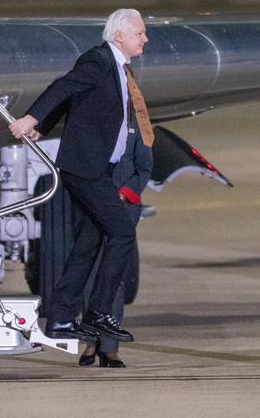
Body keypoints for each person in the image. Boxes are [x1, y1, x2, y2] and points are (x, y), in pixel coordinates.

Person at [9, 8, 153, 345]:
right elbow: (63, 87)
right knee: (121, 233)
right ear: (119, 35)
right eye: (140, 33)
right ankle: (99, 313)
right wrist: (33, 118)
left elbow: (74, 97)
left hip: (97, 168)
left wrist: (44, 126)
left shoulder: (118, 68)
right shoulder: (99, 60)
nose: (145, 39)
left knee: (87, 245)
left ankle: (60, 318)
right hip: (85, 169)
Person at [79, 114, 153, 367]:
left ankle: (109, 347)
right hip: (94, 203)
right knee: (90, 273)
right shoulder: (94, 121)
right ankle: (91, 339)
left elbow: (144, 169)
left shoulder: (139, 125)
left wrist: (123, 194)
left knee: (114, 276)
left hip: (123, 206)